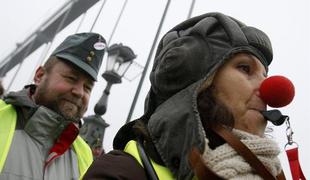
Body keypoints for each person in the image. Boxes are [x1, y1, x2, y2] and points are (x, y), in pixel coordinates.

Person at [83, 12, 286, 179]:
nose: (269, 88)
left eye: (265, 75)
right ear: (198, 83)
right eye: (245, 68)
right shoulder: (120, 173)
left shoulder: (272, 172)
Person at [0, 32, 106, 180]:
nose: (80, 92)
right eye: (71, 78)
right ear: (40, 76)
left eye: (88, 87)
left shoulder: (84, 154)